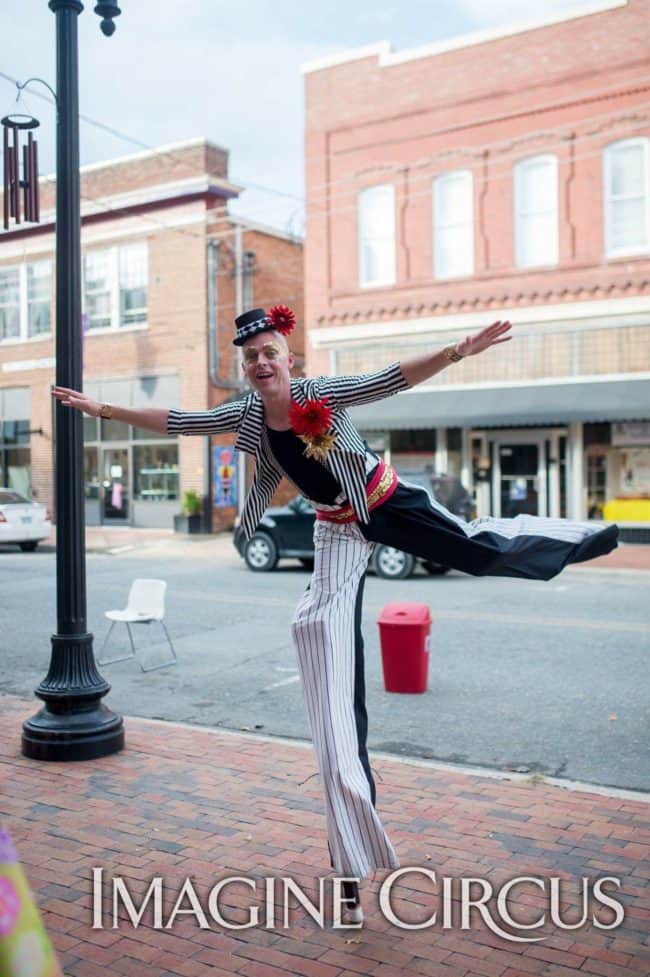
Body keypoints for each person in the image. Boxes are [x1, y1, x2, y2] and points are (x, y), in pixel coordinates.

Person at [51, 305, 619, 926]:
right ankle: (349, 854)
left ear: (287, 357)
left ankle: (577, 537)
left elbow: (390, 378)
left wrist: (458, 350)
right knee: (316, 636)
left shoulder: (320, 393)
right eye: (251, 358)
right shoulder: (246, 413)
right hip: (336, 532)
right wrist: (103, 409)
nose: (262, 363)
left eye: (270, 352)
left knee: (480, 553)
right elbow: (179, 420)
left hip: (385, 501)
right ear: (246, 369)